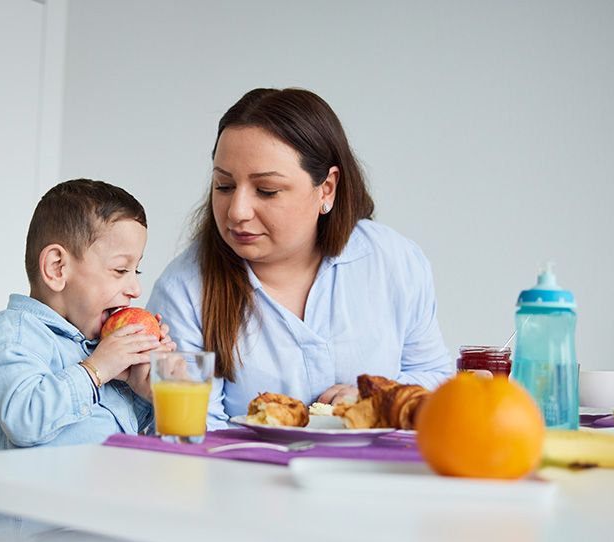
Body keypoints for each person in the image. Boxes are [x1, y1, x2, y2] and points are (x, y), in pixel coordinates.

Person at [147, 88, 453, 429]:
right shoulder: (184, 290)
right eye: (224, 186)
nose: (237, 211)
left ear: (327, 189)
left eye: (267, 191)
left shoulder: (393, 261)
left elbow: (435, 377)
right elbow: (194, 433)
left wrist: (376, 400)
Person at [0, 178, 174, 455]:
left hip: (101, 490)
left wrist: (143, 391)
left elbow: (108, 429)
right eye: (121, 270)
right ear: (57, 268)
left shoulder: (93, 345)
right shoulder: (14, 340)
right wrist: (96, 370)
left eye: (137, 271)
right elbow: (26, 421)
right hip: (39, 497)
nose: (135, 289)